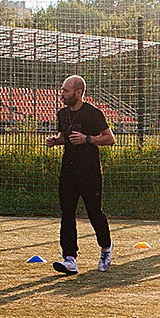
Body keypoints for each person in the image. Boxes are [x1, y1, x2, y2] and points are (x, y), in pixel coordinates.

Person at [44, 74, 114, 275]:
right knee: (67, 213)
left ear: (78, 92)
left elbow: (109, 139)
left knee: (94, 212)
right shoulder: (62, 114)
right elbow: (65, 136)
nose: (62, 94)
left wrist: (87, 139)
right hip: (68, 170)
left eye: (66, 90)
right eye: (62, 90)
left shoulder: (93, 113)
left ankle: (106, 248)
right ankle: (70, 258)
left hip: (90, 171)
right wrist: (56, 141)